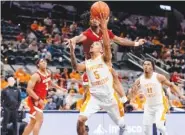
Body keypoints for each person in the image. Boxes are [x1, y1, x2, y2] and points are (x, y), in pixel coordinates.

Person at [65, 13, 146, 114]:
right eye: (92, 19)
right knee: (87, 92)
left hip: (103, 62)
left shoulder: (105, 32)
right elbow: (78, 38)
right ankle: (84, 115)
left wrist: (136, 43)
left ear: (100, 20)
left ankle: (124, 101)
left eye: (96, 18)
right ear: (89, 21)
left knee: (114, 74)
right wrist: (72, 40)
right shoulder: (87, 33)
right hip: (91, 66)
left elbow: (119, 40)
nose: (94, 20)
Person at [69, 13, 126, 135]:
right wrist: (72, 52)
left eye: (95, 44)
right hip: (94, 97)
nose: (92, 45)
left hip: (110, 98)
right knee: (80, 120)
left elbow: (106, 44)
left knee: (121, 124)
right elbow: (75, 67)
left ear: (100, 49)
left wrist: (104, 27)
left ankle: (122, 130)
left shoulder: (106, 59)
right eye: (92, 44)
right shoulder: (87, 63)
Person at [131, 59, 185, 135]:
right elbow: (132, 94)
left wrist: (181, 95)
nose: (146, 66)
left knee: (159, 126)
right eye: (144, 64)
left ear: (152, 67)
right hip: (148, 107)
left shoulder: (158, 77)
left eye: (148, 64)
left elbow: (171, 85)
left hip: (159, 105)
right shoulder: (139, 80)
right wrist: (133, 91)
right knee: (146, 130)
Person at [22, 59, 66, 135]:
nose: (44, 62)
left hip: (40, 99)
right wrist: (38, 99)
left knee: (33, 122)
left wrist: (60, 88)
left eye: (45, 61)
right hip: (34, 100)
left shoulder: (47, 73)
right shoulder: (35, 75)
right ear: (38, 65)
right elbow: (29, 90)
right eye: (42, 62)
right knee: (40, 120)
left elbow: (50, 83)